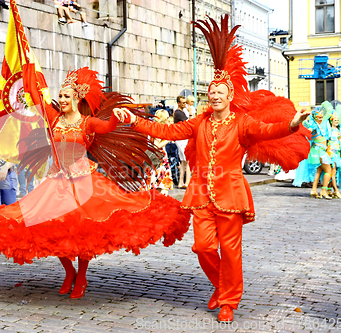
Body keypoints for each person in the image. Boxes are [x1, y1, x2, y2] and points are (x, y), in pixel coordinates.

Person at [117, 16, 310, 322]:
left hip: (230, 192)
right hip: (200, 193)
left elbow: (269, 130)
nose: (215, 95)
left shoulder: (243, 123)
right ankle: (222, 285)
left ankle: (229, 301)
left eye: (220, 91)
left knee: (231, 250)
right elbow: (168, 132)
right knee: (203, 246)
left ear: (230, 97)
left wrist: (294, 123)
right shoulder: (199, 121)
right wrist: (133, 121)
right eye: (211, 92)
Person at [0, 67, 191, 298]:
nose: (61, 100)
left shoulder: (88, 123)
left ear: (77, 98)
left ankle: (81, 276)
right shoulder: (54, 118)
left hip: (84, 182)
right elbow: (35, 94)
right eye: (60, 96)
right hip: (56, 183)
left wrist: (118, 117)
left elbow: (108, 127)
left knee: (84, 231)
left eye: (66, 96)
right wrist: (26, 66)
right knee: (50, 229)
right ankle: (70, 272)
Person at [140, 109, 174, 195]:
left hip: (154, 158)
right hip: (159, 159)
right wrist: (169, 139)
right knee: (162, 186)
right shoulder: (159, 129)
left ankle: (156, 204)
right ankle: (162, 204)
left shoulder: (153, 127)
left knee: (156, 184)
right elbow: (157, 145)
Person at [174, 95, 191, 188]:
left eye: (185, 102)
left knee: (183, 161)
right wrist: (191, 113)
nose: (185, 104)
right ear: (178, 103)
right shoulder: (178, 113)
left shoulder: (181, 112)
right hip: (181, 139)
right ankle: (187, 182)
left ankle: (181, 182)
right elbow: (190, 123)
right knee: (188, 161)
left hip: (181, 138)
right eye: (183, 102)